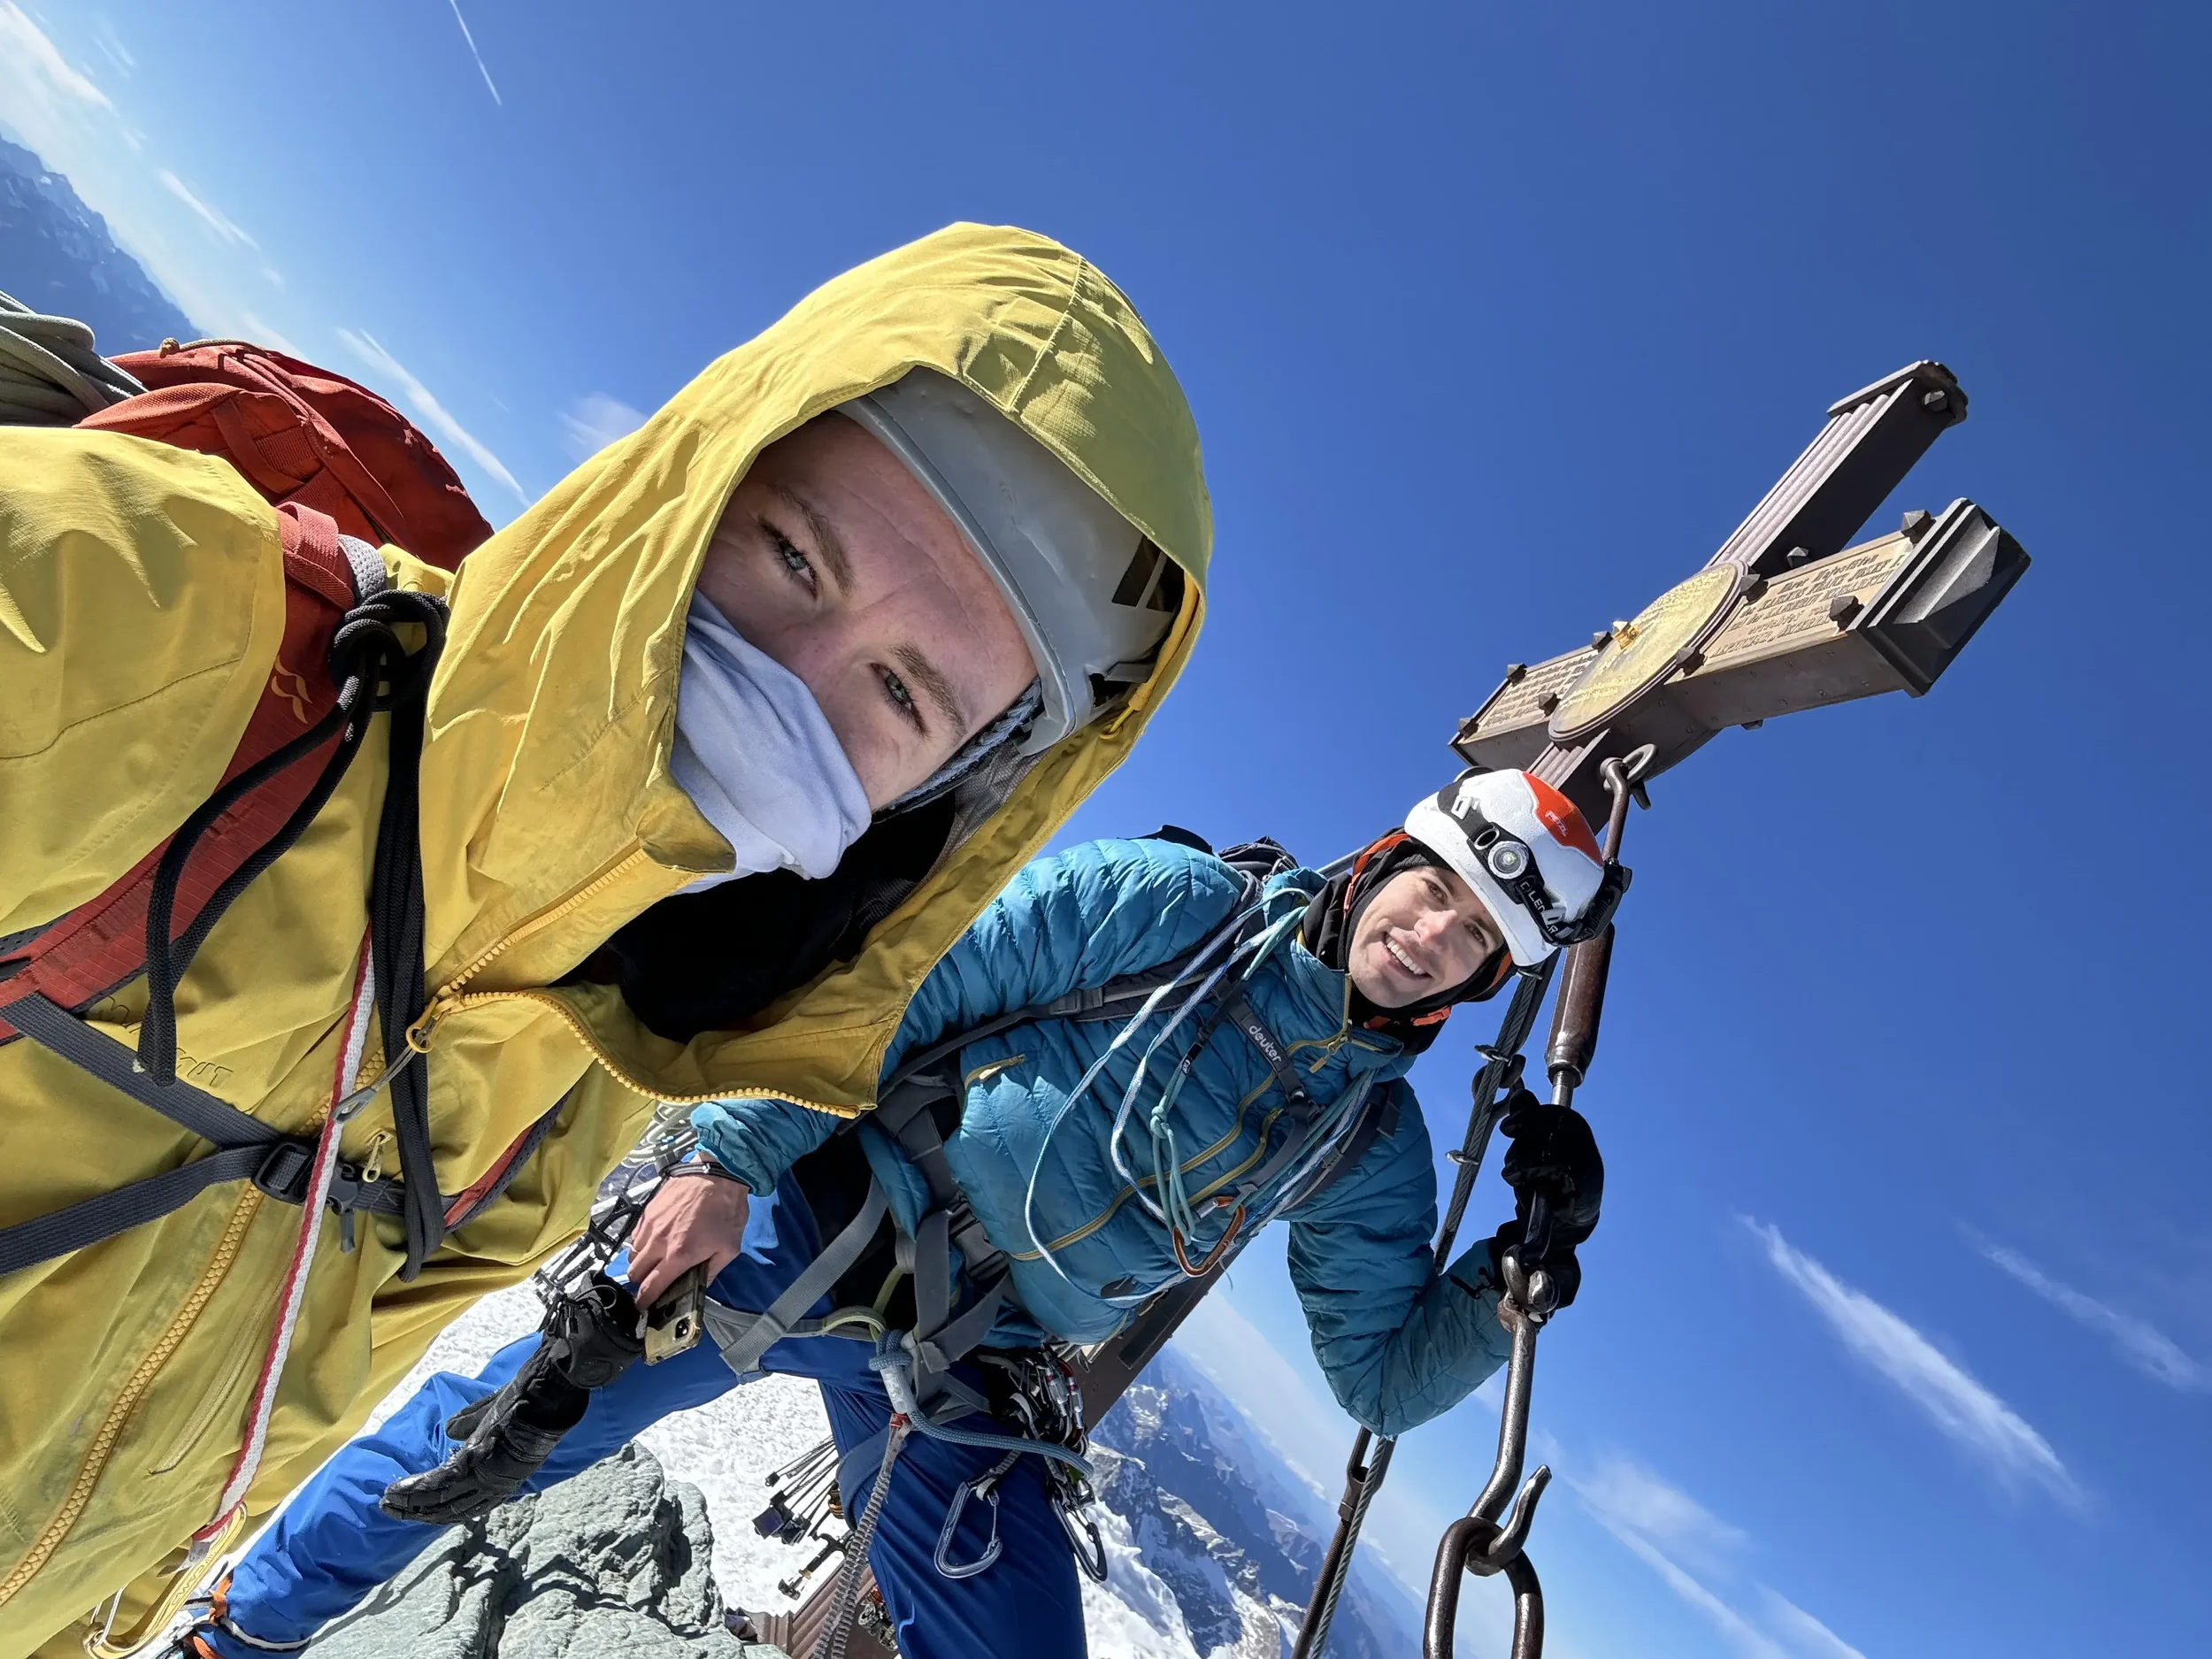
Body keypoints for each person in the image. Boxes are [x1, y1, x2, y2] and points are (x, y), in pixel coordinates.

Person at [0, 222, 1212, 1659]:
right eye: (791, 556)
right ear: (701, 473)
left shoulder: (597, 1059)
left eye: (900, 691)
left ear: (932, 805)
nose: (792, 687)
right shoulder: (146, 618)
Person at [194, 770, 1615, 1659]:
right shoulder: (1178, 907)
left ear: (1475, 984)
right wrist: (729, 1153)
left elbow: (1378, 1368)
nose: (1430, 931)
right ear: (1386, 860)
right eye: (1433, 890)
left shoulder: (1364, 1139)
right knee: (525, 1411)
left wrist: (1517, 1268)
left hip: (973, 1372)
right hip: (823, 1212)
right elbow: (910, 978)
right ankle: (247, 1628)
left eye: (1474, 939)